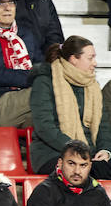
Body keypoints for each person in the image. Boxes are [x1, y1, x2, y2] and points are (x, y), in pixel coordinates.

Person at [29, 36, 111, 174]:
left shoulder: (93, 86)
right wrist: (77, 150)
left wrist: (105, 150)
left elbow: (103, 125)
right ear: (74, 59)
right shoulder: (45, 81)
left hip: (90, 154)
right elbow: (44, 127)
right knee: (92, 172)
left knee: (99, 168)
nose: (95, 63)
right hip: (52, 154)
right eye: (90, 58)